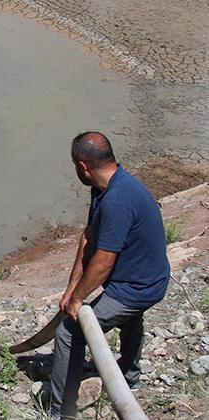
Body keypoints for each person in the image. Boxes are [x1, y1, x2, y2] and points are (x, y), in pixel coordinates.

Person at [50, 132, 170, 419]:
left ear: (82, 166)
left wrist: (78, 302)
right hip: (139, 276)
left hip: (142, 285)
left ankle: (61, 413)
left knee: (68, 332)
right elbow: (89, 237)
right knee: (129, 319)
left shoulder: (117, 199)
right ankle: (129, 374)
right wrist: (72, 288)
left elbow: (104, 261)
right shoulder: (104, 186)